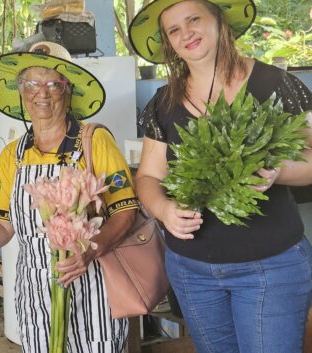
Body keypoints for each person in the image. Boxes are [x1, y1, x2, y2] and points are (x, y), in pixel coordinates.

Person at [129, 0, 312, 351]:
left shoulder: (275, 84)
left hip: (270, 268)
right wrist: (164, 210)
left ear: (219, 21)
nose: (187, 34)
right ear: (169, 43)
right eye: (174, 30)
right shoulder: (163, 103)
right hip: (191, 270)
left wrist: (279, 171)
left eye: (194, 19)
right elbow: (149, 177)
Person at [0, 41, 138, 352]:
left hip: (93, 287)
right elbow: (3, 227)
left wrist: (89, 250)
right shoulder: (13, 156)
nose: (42, 93)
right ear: (22, 92)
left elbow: (126, 212)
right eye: (32, 83)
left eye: (53, 83)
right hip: (35, 294)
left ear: (68, 89)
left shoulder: (93, 141)